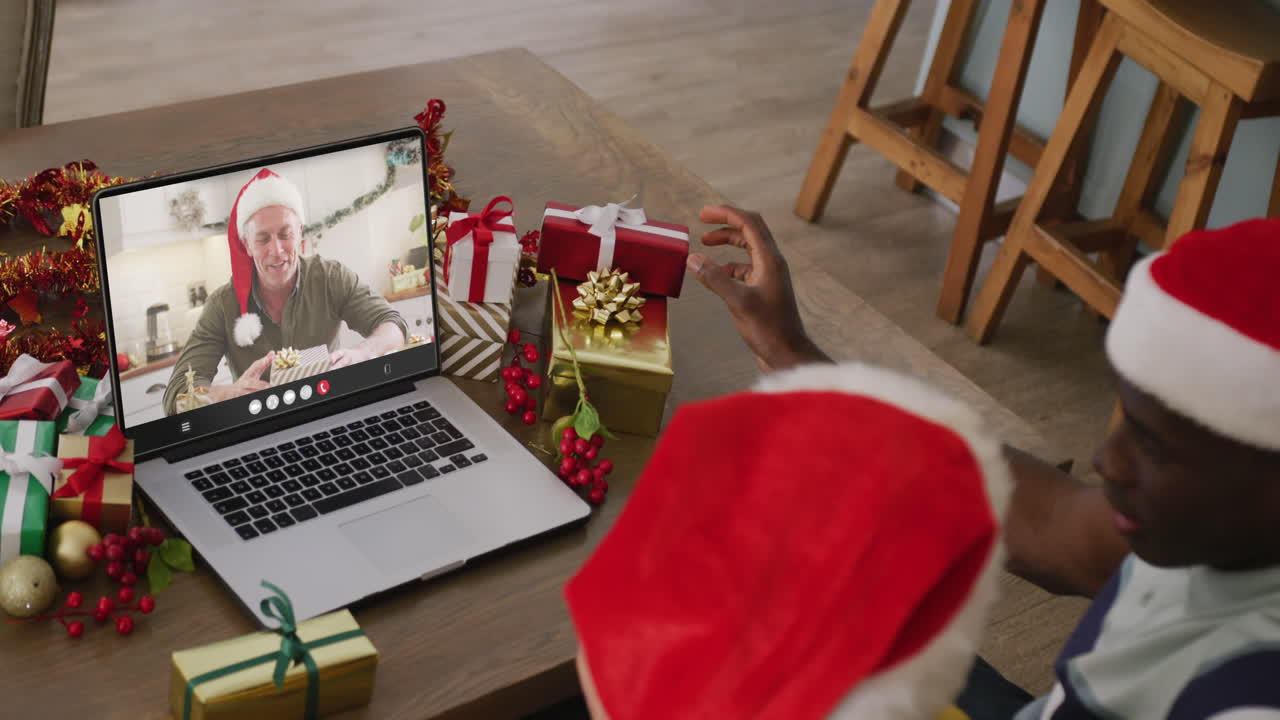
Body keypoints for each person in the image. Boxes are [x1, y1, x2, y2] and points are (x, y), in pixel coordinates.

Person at [679, 207, 1280, 718]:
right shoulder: (1212, 528)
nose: (1106, 462)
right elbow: (1058, 527)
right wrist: (797, 358)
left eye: (1152, 447)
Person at [163, 169, 407, 414]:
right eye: (263, 239)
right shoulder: (222, 306)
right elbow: (176, 397)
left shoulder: (330, 277)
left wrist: (362, 353)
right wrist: (230, 393)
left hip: (330, 410)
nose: (277, 250)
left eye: (285, 234)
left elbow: (393, 325)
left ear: (300, 232)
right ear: (247, 245)